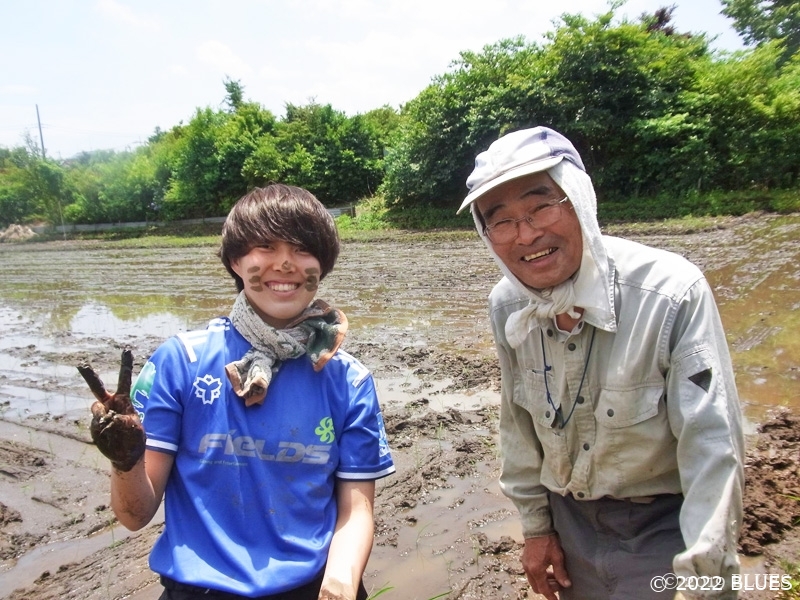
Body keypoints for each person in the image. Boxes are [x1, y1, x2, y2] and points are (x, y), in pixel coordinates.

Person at [457, 127, 744, 599]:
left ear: (580, 199)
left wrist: (705, 579)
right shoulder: (507, 306)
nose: (527, 234)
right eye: (501, 221)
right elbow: (517, 425)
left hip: (663, 525)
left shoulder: (671, 293)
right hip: (570, 527)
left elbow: (712, 447)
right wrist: (536, 528)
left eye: (541, 207)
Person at [79, 184, 395, 600]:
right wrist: (126, 461)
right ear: (236, 261)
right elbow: (135, 516)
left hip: (314, 588)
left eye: (303, 248)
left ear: (323, 264)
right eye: (266, 246)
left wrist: (340, 583)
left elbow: (356, 511)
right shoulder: (181, 362)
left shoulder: (348, 380)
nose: (285, 262)